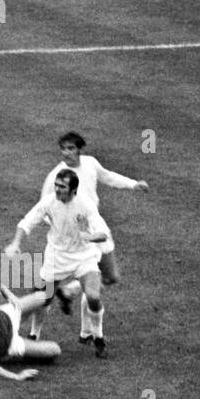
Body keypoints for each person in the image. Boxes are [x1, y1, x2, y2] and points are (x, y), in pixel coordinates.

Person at [36, 131, 149, 342]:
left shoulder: (90, 164)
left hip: (96, 228)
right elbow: (43, 209)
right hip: (75, 239)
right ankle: (87, 333)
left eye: (71, 148)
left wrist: (133, 184)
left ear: (80, 149)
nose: (66, 153)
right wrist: (64, 228)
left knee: (111, 277)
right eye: (63, 148)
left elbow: (107, 176)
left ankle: (71, 290)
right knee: (92, 282)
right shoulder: (55, 176)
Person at [5, 169, 110, 356]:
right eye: (56, 185)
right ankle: (34, 335)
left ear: (73, 190)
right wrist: (15, 243)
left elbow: (103, 233)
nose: (57, 189)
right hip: (56, 257)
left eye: (62, 186)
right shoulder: (50, 202)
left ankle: (98, 337)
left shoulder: (85, 205)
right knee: (42, 298)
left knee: (93, 296)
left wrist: (90, 236)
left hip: (83, 257)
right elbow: (27, 222)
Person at [0, 285, 61, 380]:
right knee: (55, 350)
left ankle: (34, 333)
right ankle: (31, 347)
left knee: (44, 296)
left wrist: (11, 296)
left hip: (6, 315)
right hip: (9, 344)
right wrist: (17, 376)